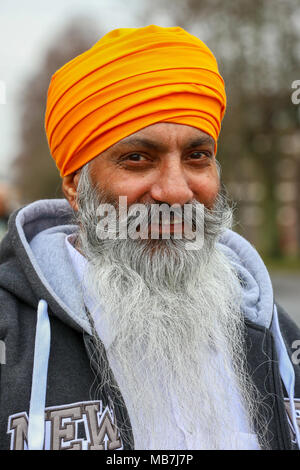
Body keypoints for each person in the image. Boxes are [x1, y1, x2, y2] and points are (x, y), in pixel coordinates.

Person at [0, 25, 299, 451]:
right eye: (137, 158)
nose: (176, 191)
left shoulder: (273, 332)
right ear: (73, 185)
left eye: (197, 156)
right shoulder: (10, 337)